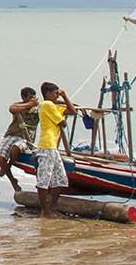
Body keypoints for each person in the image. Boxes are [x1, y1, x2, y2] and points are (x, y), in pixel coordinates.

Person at [35, 80, 76, 218]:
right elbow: (63, 123)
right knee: (44, 180)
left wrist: (64, 97)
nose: (56, 96)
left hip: (53, 148)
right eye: (55, 93)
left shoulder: (53, 105)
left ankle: (52, 208)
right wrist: (60, 105)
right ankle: (45, 211)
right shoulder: (46, 104)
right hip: (46, 146)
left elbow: (73, 111)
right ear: (47, 93)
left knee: (60, 179)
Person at [0, 86, 39, 192]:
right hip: (11, 134)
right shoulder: (18, 106)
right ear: (24, 98)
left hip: (25, 139)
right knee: (1, 156)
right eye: (30, 97)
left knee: (15, 148)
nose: (33, 99)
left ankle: (7, 168)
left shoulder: (38, 109)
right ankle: (13, 181)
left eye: (34, 97)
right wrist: (29, 105)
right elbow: (12, 109)